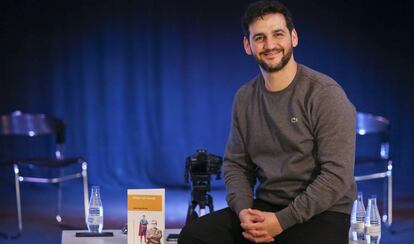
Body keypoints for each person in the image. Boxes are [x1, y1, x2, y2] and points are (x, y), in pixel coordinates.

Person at [178, 0, 356, 243]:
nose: (270, 45)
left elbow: (336, 176)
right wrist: (244, 213)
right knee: (194, 236)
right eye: (259, 37)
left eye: (278, 34)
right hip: (265, 208)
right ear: (247, 45)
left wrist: (281, 222)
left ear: (294, 37)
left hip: (322, 212)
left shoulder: (325, 94)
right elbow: (237, 165)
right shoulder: (245, 97)